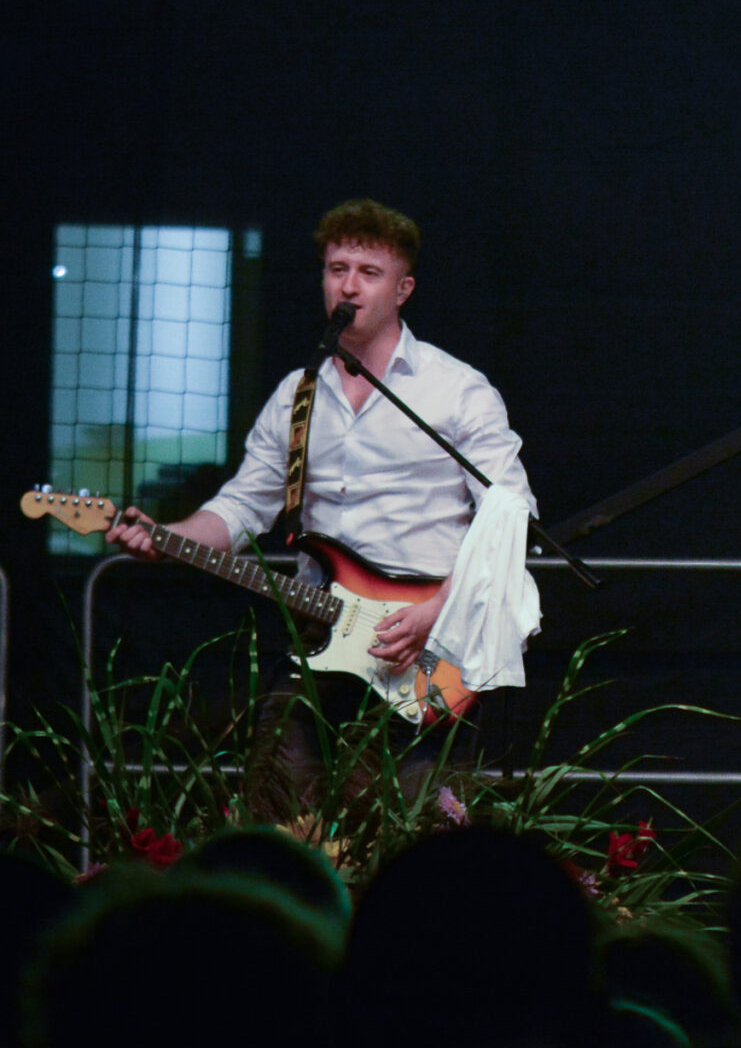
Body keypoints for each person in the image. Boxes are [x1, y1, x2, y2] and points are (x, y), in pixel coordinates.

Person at [104, 198, 538, 708]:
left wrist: (441, 609)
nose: (349, 286)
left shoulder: (457, 390)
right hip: (320, 636)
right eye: (337, 269)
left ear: (403, 290)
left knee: (413, 772)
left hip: (431, 640)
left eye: (369, 273)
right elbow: (243, 507)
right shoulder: (297, 395)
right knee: (276, 762)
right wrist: (167, 537)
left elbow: (511, 513)